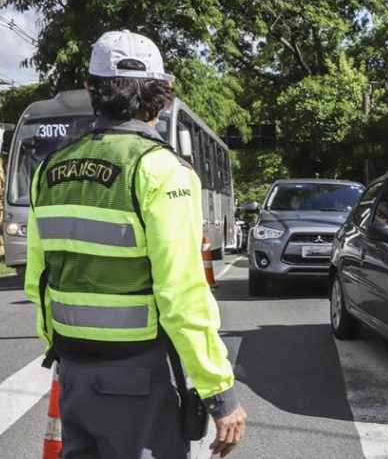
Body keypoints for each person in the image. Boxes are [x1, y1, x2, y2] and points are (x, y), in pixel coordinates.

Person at [24, 30, 246, 458]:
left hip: (72, 372)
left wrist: (63, 351)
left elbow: (39, 279)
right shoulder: (161, 170)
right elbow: (181, 295)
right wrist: (220, 392)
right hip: (139, 379)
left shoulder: (49, 169)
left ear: (92, 89)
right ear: (162, 95)